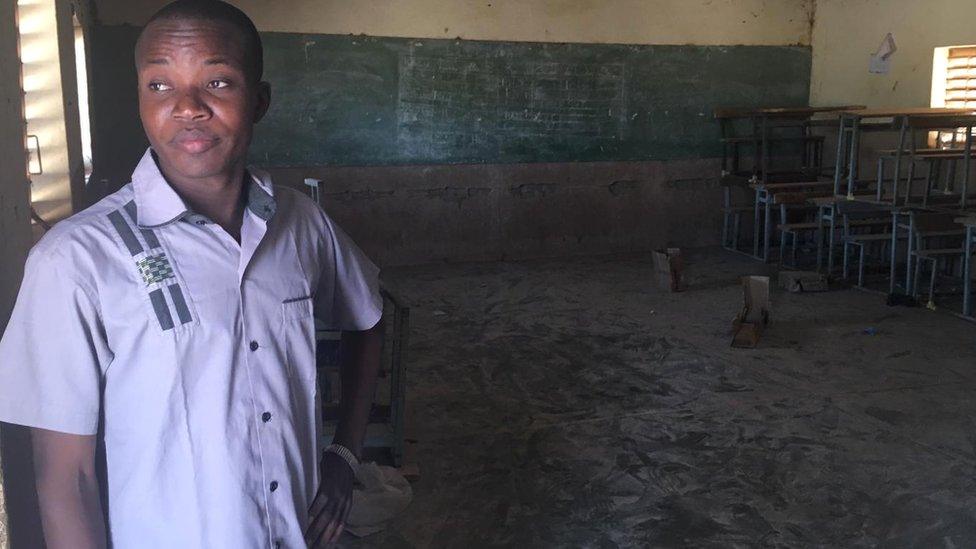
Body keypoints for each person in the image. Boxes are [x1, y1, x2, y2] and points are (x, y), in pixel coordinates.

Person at [0, 1, 383, 547]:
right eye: (160, 86)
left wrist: (345, 455)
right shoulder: (76, 259)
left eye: (218, 81)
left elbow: (366, 318)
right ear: (138, 101)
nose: (187, 107)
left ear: (260, 101)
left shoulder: (301, 224)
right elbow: (67, 480)